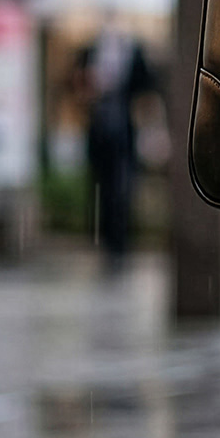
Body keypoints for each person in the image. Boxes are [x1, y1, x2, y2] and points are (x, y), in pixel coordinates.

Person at [71, 20, 160, 269]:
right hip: (99, 131)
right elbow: (74, 85)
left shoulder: (134, 52)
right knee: (100, 187)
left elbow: (147, 88)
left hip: (124, 132)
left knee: (123, 187)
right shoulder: (89, 52)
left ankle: (120, 242)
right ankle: (104, 239)